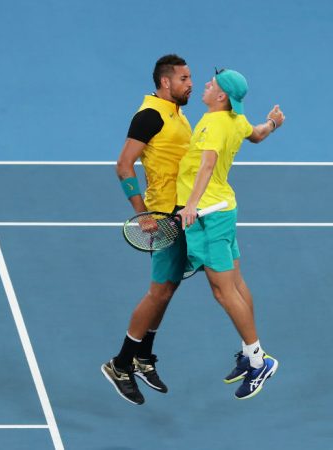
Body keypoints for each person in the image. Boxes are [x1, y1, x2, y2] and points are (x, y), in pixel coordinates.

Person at [176, 68, 285, 399]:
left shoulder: (212, 124)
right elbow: (258, 134)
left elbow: (207, 166)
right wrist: (275, 122)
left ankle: (258, 360)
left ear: (221, 96)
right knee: (236, 284)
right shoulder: (235, 119)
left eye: (212, 84)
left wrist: (191, 206)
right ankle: (249, 353)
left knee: (223, 292)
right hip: (225, 208)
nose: (206, 86)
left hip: (210, 214)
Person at [101, 54, 193, 405]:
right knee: (157, 292)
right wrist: (142, 214)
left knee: (168, 290)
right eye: (184, 78)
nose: (190, 83)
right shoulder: (149, 116)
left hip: (183, 213)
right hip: (164, 215)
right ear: (166, 82)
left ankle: (142, 356)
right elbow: (123, 165)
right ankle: (120, 364)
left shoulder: (177, 115)